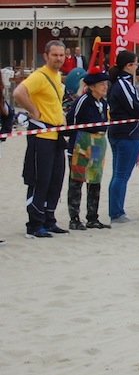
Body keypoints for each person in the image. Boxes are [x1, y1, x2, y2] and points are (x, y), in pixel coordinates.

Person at [13, 40, 69, 238]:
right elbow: (18, 92)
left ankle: (49, 219)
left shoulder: (57, 76)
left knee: (56, 178)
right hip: (42, 135)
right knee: (40, 179)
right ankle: (35, 224)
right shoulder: (39, 76)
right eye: (55, 55)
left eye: (61, 55)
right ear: (46, 56)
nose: (58, 59)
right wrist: (33, 110)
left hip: (56, 134)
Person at [106, 49, 139, 225]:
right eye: (135, 64)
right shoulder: (122, 84)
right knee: (121, 175)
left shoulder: (122, 83)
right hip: (126, 132)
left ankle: (116, 210)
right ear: (128, 65)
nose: (136, 67)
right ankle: (116, 212)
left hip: (122, 131)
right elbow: (135, 108)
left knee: (119, 174)